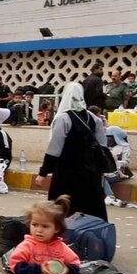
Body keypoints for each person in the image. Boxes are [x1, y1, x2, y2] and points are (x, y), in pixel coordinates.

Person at [35, 82, 109, 221]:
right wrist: (101, 169)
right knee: (90, 209)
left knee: (63, 209)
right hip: (91, 173)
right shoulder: (94, 119)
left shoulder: (63, 119)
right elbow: (102, 146)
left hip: (67, 174)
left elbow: (54, 149)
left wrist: (43, 173)